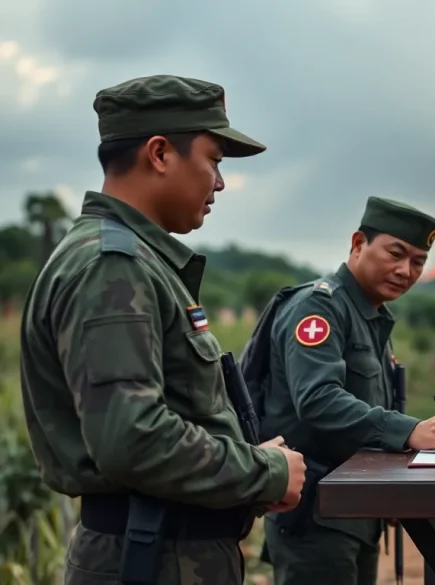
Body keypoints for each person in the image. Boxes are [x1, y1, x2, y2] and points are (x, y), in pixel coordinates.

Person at [18, 74, 307, 584]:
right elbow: (132, 439)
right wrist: (265, 471)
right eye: (214, 160)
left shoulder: (133, 261)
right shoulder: (112, 266)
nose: (219, 182)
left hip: (163, 552)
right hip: (152, 558)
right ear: (159, 153)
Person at [243, 196, 435, 585]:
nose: (406, 270)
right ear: (357, 244)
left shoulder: (369, 314)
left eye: (418, 262)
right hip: (316, 517)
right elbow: (318, 400)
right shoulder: (319, 308)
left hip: (356, 510)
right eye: (396, 253)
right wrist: (409, 430)